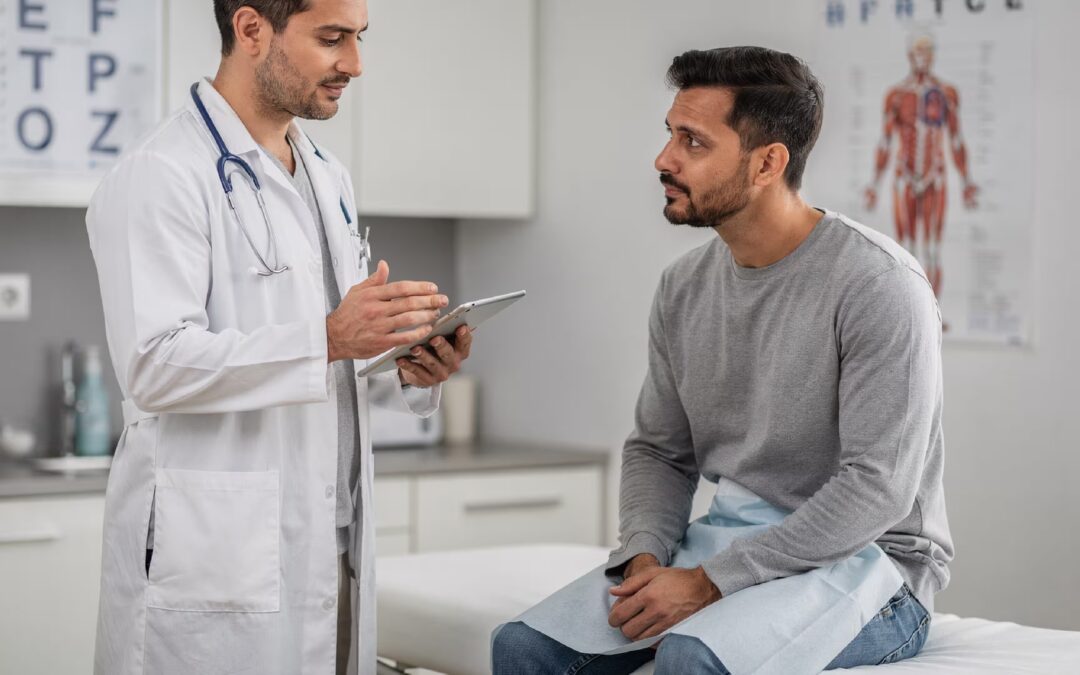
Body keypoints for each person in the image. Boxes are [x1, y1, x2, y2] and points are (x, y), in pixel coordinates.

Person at [492, 46, 953, 674]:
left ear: (767, 163)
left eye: (693, 142)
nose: (664, 159)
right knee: (522, 649)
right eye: (669, 135)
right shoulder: (683, 286)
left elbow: (878, 489)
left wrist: (711, 582)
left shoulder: (879, 284)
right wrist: (647, 557)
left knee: (691, 659)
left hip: (871, 565)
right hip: (729, 542)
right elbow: (659, 449)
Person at [86, 2, 471, 673]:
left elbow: (334, 359)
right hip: (217, 559)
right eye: (332, 38)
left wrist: (407, 365)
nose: (354, 63)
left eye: (358, 38)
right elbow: (154, 365)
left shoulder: (327, 175)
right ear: (252, 29)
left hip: (330, 541)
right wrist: (326, 337)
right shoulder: (162, 173)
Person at [864, 30, 979, 297]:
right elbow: (885, 142)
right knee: (905, 249)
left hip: (934, 175)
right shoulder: (895, 95)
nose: (922, 57)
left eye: (927, 51)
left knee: (932, 249)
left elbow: (956, 139)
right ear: (909, 56)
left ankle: (933, 317)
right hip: (905, 174)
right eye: (918, 51)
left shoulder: (947, 93)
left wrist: (966, 181)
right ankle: (908, 310)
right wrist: (874, 184)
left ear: (933, 55)